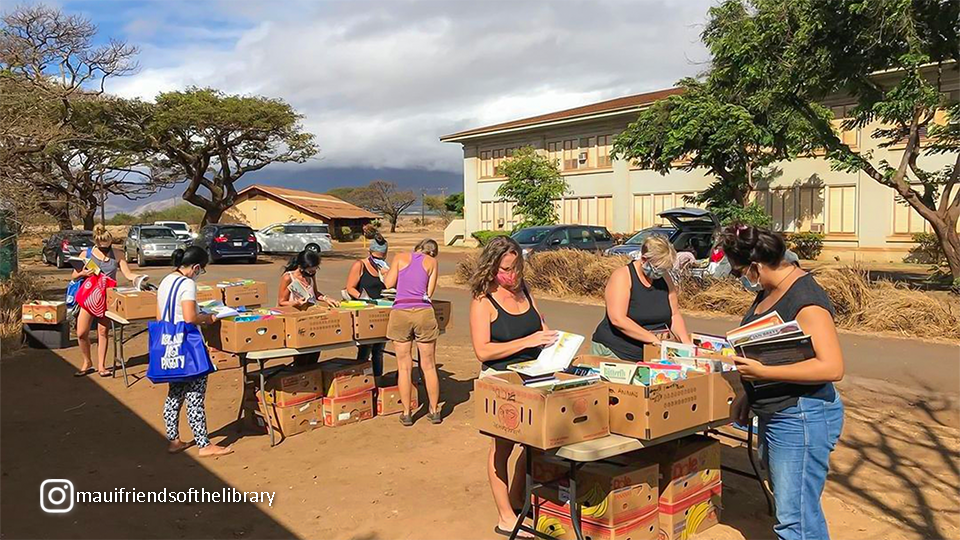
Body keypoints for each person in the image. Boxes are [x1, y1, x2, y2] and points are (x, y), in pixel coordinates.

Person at [719, 225, 844, 540]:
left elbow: (832, 366)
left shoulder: (806, 299)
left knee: (795, 519)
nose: (740, 280)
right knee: (794, 508)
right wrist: (750, 394)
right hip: (778, 411)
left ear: (756, 267)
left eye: (738, 273)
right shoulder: (769, 289)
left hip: (802, 414)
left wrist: (764, 375)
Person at [468, 236, 557, 538]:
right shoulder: (483, 301)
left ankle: (518, 496)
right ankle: (505, 516)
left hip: (534, 377)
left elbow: (540, 328)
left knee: (535, 443)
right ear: (492, 268)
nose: (511, 276)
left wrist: (551, 339)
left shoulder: (526, 292)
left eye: (516, 268)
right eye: (505, 270)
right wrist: (527, 342)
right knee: (501, 449)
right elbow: (483, 351)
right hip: (500, 383)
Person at [157, 247, 233, 457]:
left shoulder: (166, 281)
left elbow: (159, 316)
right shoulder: (188, 284)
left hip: (170, 344)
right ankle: (203, 444)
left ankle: (173, 439)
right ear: (197, 267)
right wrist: (208, 319)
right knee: (195, 395)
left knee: (174, 393)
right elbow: (190, 317)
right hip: (189, 345)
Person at [590, 234, 692, 360]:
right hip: (616, 352)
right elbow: (618, 319)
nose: (660, 273)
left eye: (664, 269)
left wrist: (686, 342)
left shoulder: (665, 279)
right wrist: (651, 339)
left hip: (650, 352)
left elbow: (674, 314)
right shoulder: (622, 277)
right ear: (644, 259)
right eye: (657, 268)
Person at [73, 225, 145, 377]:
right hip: (89, 296)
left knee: (103, 331)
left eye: (107, 245)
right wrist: (83, 273)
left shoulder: (117, 253)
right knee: (81, 333)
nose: (104, 248)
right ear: (96, 241)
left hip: (108, 296)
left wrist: (139, 279)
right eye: (101, 245)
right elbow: (74, 276)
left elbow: (127, 273)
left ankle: (101, 365)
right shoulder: (86, 254)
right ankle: (87, 361)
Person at [384, 239, 441, 426]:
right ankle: (434, 410)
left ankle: (407, 412)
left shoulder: (400, 257)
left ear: (417, 248)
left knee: (404, 366)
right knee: (429, 365)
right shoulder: (432, 263)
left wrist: (386, 274)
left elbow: (388, 284)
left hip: (401, 311)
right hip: (423, 311)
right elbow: (429, 292)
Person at [345, 233, 389, 378]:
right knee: (365, 349)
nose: (379, 260)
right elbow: (350, 287)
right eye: (376, 257)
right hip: (364, 312)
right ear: (369, 253)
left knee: (379, 350)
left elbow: (389, 287)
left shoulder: (385, 268)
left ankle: (377, 380)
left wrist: (387, 275)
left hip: (381, 311)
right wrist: (364, 298)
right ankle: (361, 380)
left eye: (382, 257)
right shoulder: (360, 265)